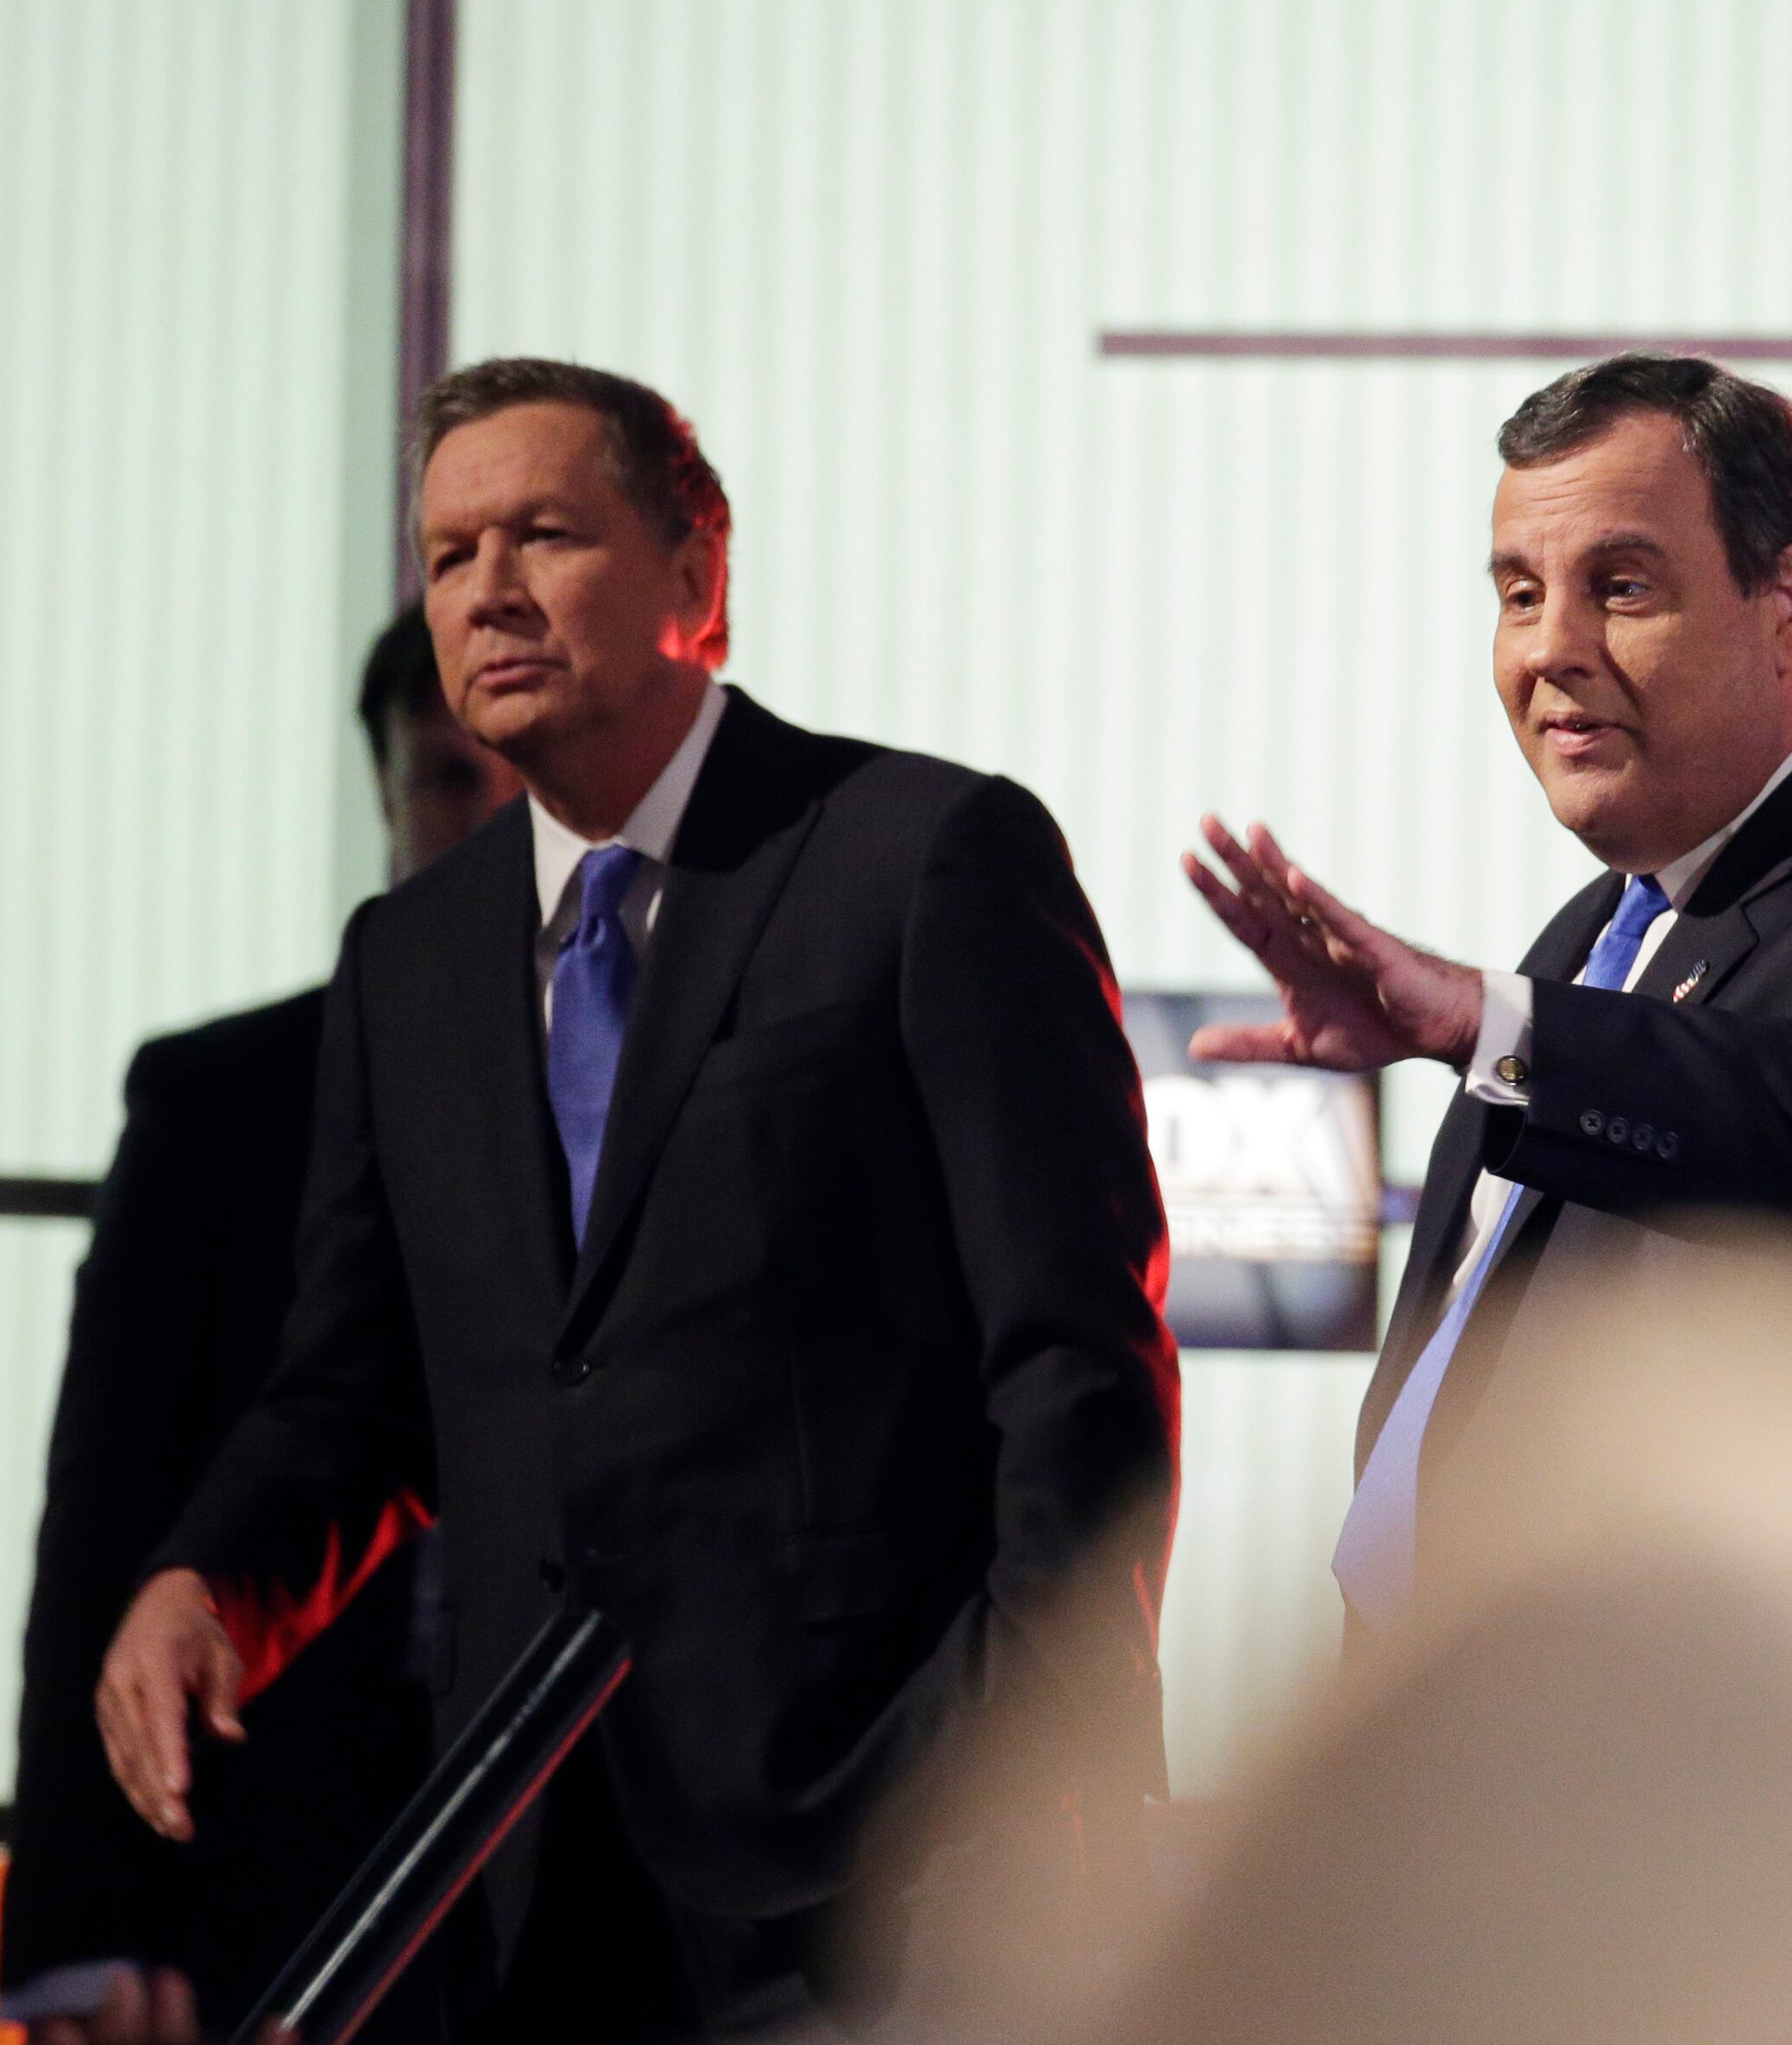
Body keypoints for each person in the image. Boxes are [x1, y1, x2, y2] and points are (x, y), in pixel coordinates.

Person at [95, 357, 1179, 2041]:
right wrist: (208, 1578)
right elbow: (355, 1383)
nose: (490, 590)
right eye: (450, 555)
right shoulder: (412, 956)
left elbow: (1079, 1366)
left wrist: (1034, 1762)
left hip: (890, 1855)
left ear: (697, 576)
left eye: (543, 534)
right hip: (529, 1863)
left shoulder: (921, 857)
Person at [1182, 353, 1792, 1630]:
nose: (1550, 651)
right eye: (1519, 594)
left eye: (1621, 588)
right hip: (1530, 1770)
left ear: (1788, 603)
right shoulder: (1586, 940)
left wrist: (1491, 1028)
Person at [0, 608, 518, 2042]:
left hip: (601, 1868)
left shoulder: (690, 1075)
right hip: (278, 1857)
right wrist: (83, 1931)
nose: (484, 817)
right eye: (445, 778)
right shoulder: (222, 1101)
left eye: (517, 772)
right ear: (388, 801)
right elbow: (106, 1520)